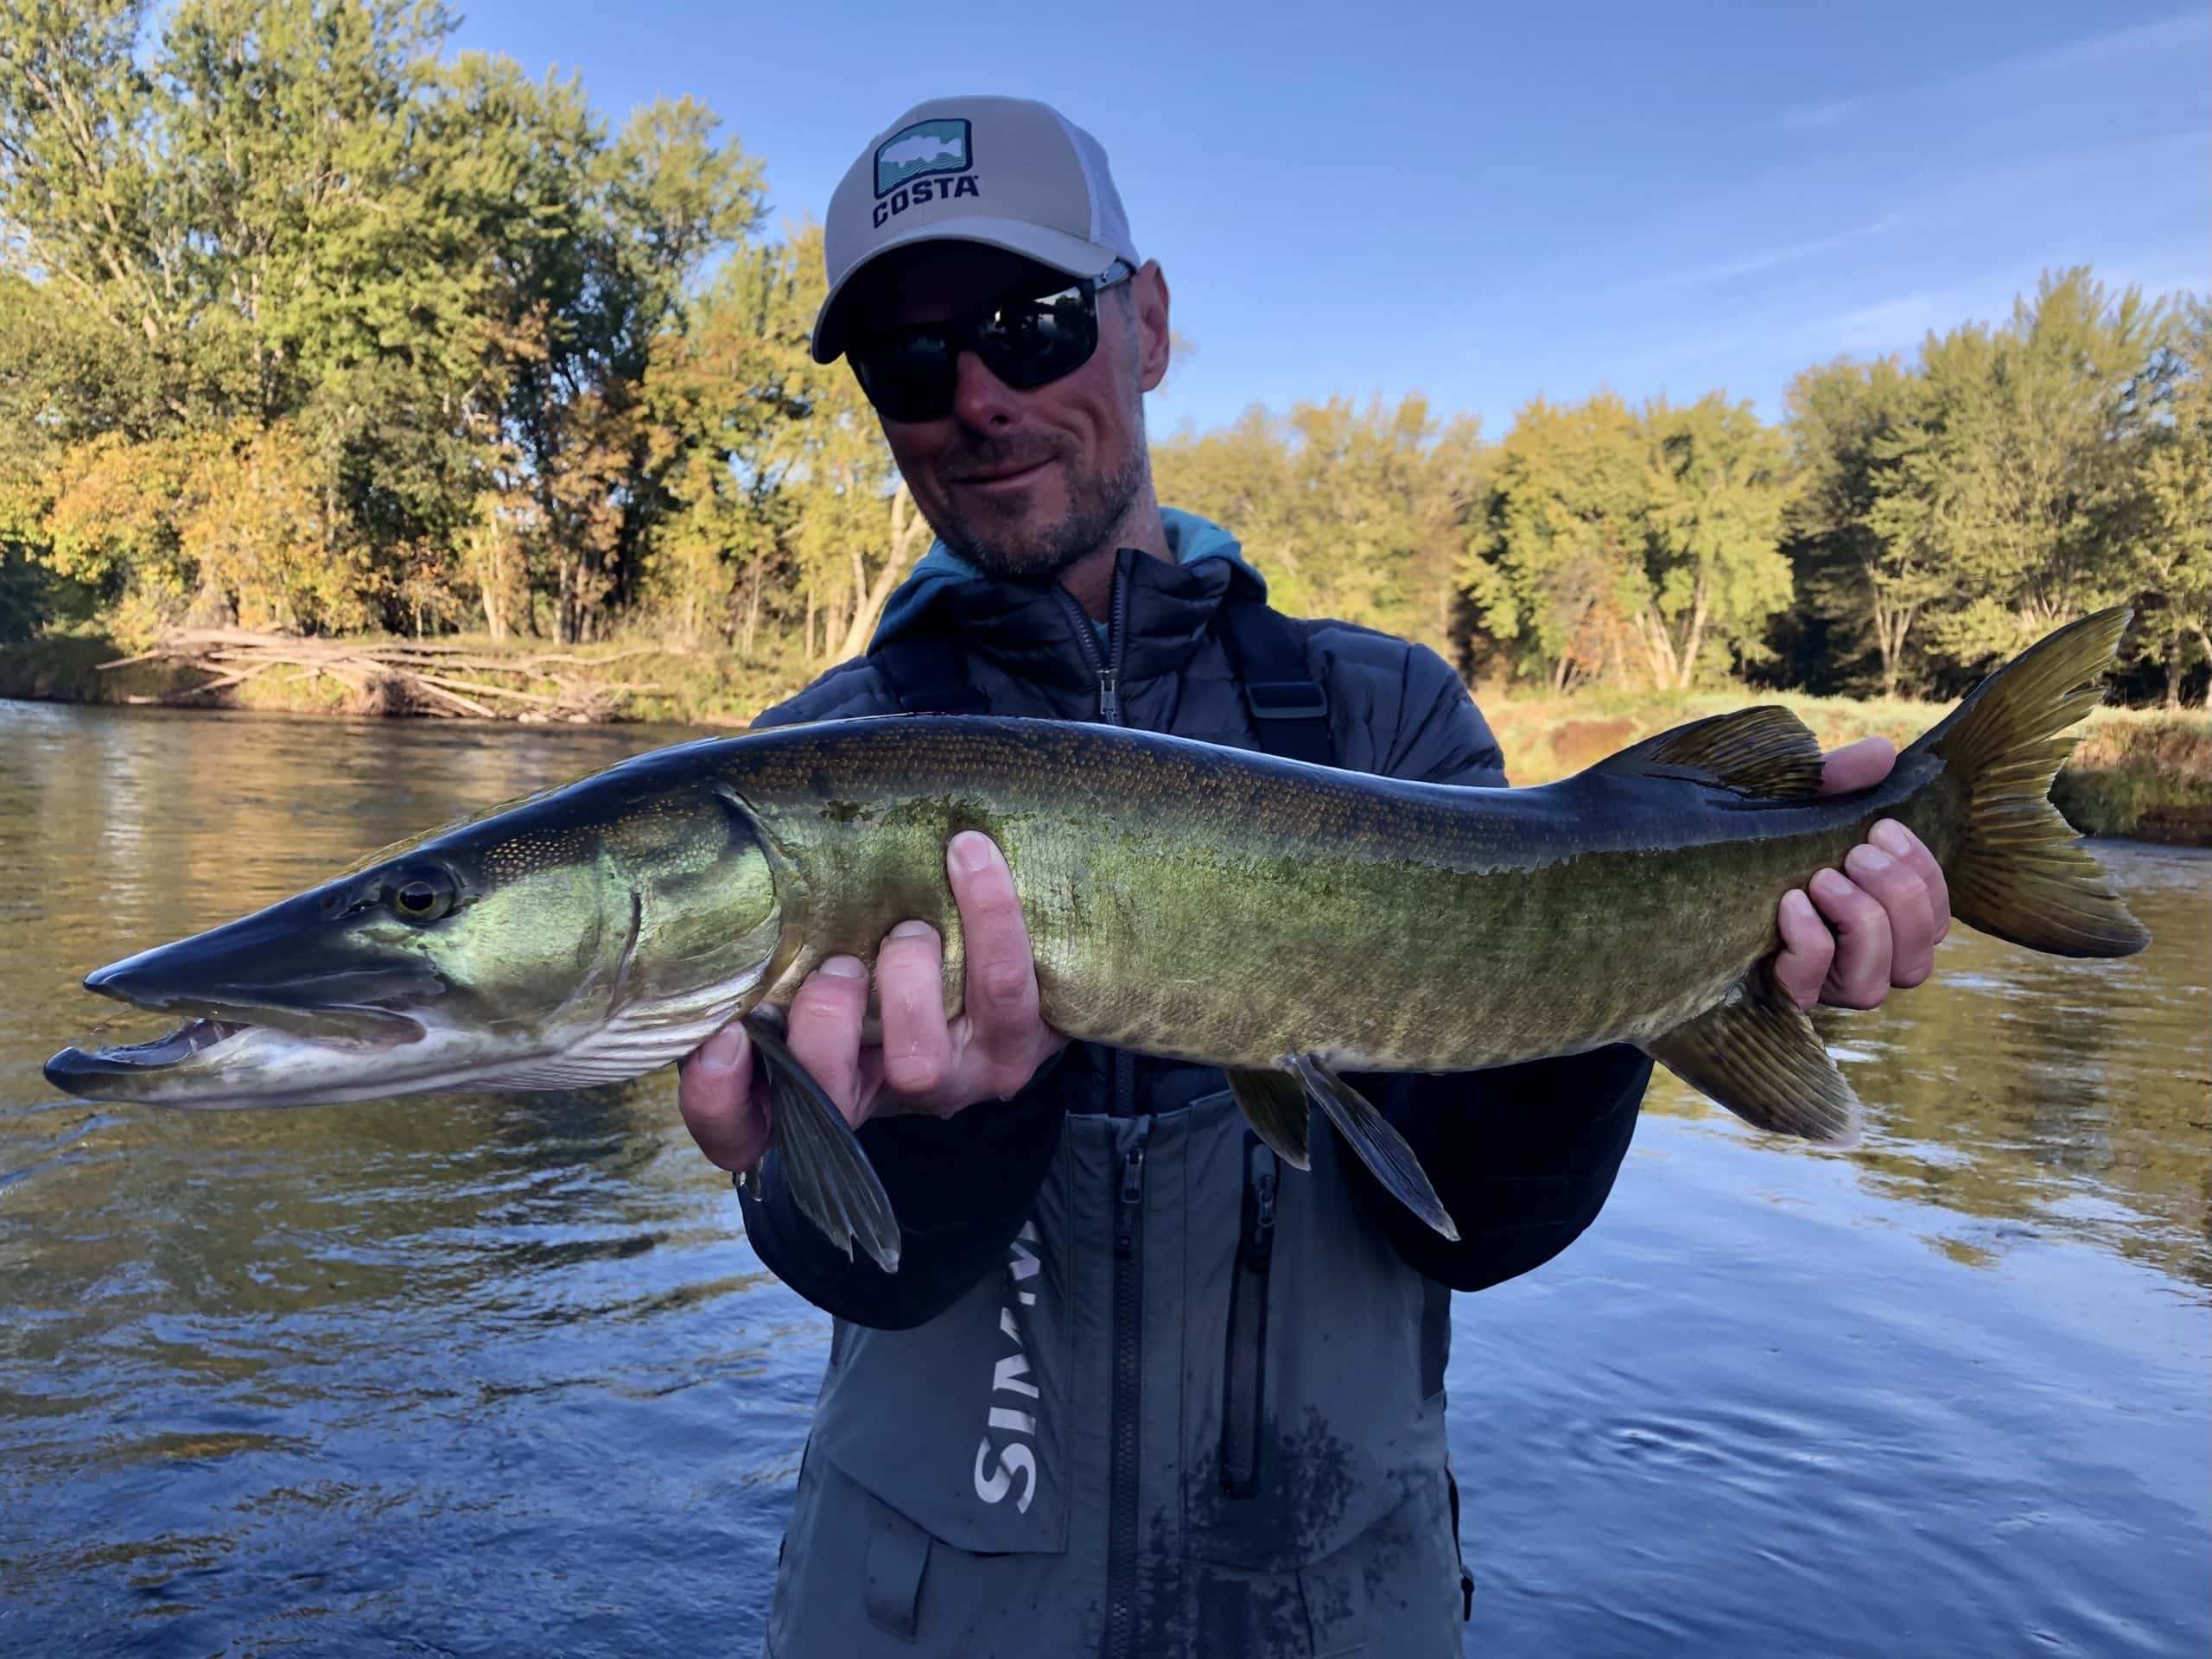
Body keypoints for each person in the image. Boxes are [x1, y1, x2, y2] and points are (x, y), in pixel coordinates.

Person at [677, 95, 1952, 1658]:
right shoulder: (817, 758)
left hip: (1329, 1600)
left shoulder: (1385, 714)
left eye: (1031, 321)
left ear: (1146, 322)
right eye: (912, 360)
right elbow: (851, 1272)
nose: (980, 396)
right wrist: (939, 1133)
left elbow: (1471, 1226)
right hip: (922, 1612)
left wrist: (1665, 965)